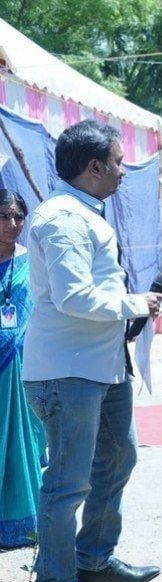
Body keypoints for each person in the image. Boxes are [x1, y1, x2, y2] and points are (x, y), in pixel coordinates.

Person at [22, 120, 162, 582]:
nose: (125, 171)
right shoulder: (62, 217)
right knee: (67, 484)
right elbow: (73, 296)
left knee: (119, 458)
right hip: (68, 372)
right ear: (95, 166)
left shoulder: (85, 213)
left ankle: (94, 558)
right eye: (120, 162)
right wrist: (135, 303)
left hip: (101, 367)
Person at [0, 190, 46, 548]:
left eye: (18, 217)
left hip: (20, 365)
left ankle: (19, 523)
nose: (13, 224)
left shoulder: (32, 261)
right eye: (4, 216)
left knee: (19, 439)